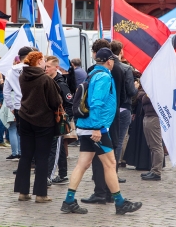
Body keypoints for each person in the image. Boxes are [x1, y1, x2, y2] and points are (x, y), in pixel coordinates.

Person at [60, 47, 142, 215]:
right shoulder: (104, 76)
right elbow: (97, 103)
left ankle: (69, 200)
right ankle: (120, 202)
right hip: (95, 128)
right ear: (110, 61)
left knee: (83, 164)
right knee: (111, 164)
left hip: (86, 126)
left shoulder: (93, 74)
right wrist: (98, 128)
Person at [81, 39, 126, 206]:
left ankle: (100, 192)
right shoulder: (120, 68)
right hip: (113, 117)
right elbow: (124, 94)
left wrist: (96, 125)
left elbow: (94, 100)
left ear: (96, 53)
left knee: (100, 159)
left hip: (100, 121)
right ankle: (110, 193)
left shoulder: (96, 71)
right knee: (109, 158)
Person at [14, 51, 61, 203]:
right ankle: (41, 194)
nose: (45, 64)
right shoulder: (45, 79)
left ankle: (23, 192)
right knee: (42, 157)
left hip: (25, 117)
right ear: (39, 61)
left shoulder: (23, 76)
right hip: (43, 121)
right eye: (43, 61)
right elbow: (55, 101)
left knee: (26, 156)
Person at [109, 40, 139, 170]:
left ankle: (103, 170)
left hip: (109, 107)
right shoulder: (125, 68)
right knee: (119, 140)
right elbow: (131, 91)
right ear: (121, 51)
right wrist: (136, 87)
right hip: (123, 106)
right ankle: (113, 171)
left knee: (108, 140)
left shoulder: (107, 66)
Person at [45, 56, 73, 185]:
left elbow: (69, 102)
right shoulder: (48, 80)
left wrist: (65, 118)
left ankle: (48, 176)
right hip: (50, 119)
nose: (46, 69)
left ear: (56, 68)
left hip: (58, 120)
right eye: (45, 66)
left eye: (48, 67)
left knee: (54, 148)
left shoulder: (60, 83)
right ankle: (63, 174)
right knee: (59, 148)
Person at [3, 47, 33, 167]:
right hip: (32, 105)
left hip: (18, 106)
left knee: (22, 134)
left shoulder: (11, 71)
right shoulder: (33, 69)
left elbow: (6, 92)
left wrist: (11, 106)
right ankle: (32, 160)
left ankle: (24, 161)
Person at [140, 93, 163, 181]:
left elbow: (144, 98)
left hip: (154, 116)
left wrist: (145, 95)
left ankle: (156, 171)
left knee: (156, 145)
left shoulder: (157, 88)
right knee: (152, 145)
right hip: (148, 115)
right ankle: (153, 169)